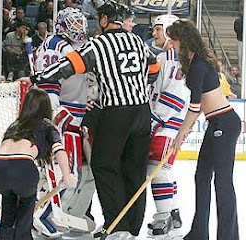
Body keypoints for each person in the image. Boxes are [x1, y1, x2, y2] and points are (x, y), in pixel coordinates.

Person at [26, 1, 159, 238]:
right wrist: (137, 86)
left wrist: (38, 77)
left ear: (106, 20)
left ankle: (117, 226)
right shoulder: (137, 40)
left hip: (116, 113)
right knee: (135, 169)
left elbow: (68, 66)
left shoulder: (100, 44)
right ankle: (132, 226)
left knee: (104, 166)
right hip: (142, 112)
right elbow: (154, 67)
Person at [168, 19, 241, 240]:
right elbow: (200, 108)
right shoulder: (195, 63)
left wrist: (181, 133)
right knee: (202, 176)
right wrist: (186, 129)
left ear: (184, 40)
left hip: (225, 124)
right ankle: (199, 232)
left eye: (174, 40)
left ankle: (228, 236)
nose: (172, 45)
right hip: (215, 123)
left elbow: (195, 106)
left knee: (223, 181)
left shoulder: (199, 65)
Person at [33, 7, 96, 237]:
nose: (80, 28)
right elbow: (50, 87)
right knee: (62, 170)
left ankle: (52, 212)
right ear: (62, 25)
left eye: (80, 23)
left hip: (72, 120)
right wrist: (54, 123)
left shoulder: (70, 46)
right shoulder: (55, 46)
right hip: (61, 120)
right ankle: (41, 214)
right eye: (74, 24)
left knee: (74, 172)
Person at [0, 88, 77, 240]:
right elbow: (59, 150)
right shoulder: (47, 124)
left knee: (9, 206)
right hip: (22, 169)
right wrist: (67, 175)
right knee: (25, 213)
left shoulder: (15, 125)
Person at [146, 14, 188, 237]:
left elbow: (175, 96)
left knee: (157, 170)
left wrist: (155, 120)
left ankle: (164, 218)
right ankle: (173, 213)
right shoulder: (167, 56)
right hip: (169, 123)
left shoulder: (173, 57)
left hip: (168, 123)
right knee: (164, 170)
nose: (154, 33)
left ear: (171, 31)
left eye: (158, 29)